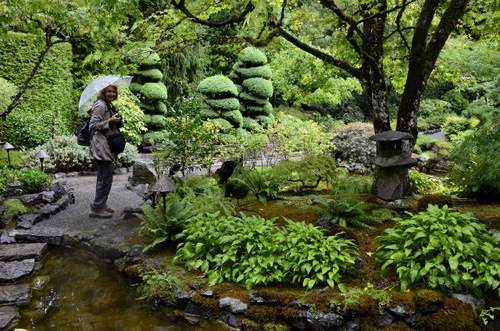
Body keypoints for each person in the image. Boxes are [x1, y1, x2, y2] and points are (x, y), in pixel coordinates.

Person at [88, 83, 122, 218]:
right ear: (103, 92)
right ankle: (97, 208)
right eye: (109, 91)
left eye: (114, 91)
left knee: (103, 176)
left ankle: (100, 204)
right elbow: (93, 125)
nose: (112, 94)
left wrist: (113, 114)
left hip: (104, 144)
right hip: (101, 146)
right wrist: (109, 120)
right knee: (106, 178)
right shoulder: (101, 105)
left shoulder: (106, 105)